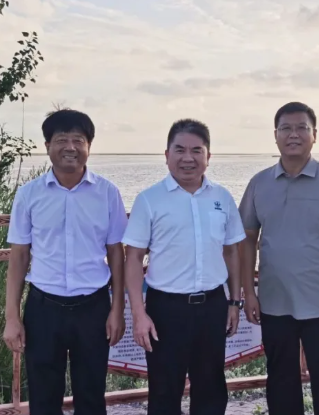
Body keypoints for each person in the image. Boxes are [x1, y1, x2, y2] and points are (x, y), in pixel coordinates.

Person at [238, 102, 319, 415]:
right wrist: (248, 292)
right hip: (273, 301)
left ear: (314, 135)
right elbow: (247, 239)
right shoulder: (259, 183)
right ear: (275, 135)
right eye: (286, 128)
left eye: (301, 128)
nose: (293, 135)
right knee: (280, 380)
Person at [2, 109, 128, 415]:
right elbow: (19, 256)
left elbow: (116, 253)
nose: (70, 147)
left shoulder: (107, 193)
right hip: (44, 308)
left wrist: (117, 310)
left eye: (78, 140)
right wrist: (12, 317)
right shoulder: (29, 194)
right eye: (61, 140)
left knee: (92, 395)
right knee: (43, 399)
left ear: (89, 147)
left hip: (93, 307)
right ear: (47, 146)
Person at [122, 118, 246, 415]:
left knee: (211, 388)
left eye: (196, 150)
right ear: (167, 155)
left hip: (213, 305)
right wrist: (139, 314)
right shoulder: (149, 200)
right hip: (166, 309)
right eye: (179, 150)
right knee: (164, 391)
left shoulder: (222, 197)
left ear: (208, 156)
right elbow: (133, 258)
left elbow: (232, 251)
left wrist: (234, 302)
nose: (188, 158)